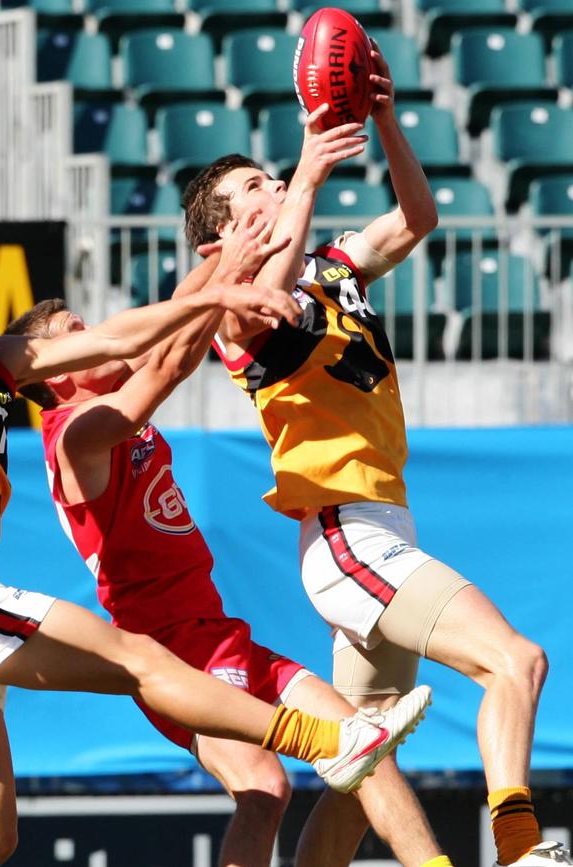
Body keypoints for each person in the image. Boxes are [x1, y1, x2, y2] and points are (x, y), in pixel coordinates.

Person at [181, 39, 571, 867]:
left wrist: (388, 120)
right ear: (221, 232)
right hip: (345, 535)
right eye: (251, 185)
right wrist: (310, 178)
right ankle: (520, 848)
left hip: (377, 524)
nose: (272, 182)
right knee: (516, 660)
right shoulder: (229, 302)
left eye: (269, 174)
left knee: (361, 780)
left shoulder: (331, 262)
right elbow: (268, 301)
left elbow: (419, 218)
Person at [0, 237, 431, 867]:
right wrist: (228, 280)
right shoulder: (71, 431)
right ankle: (331, 741)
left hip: (195, 623)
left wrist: (228, 270)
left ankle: (362, 767)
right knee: (153, 676)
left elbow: (135, 334)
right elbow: (165, 361)